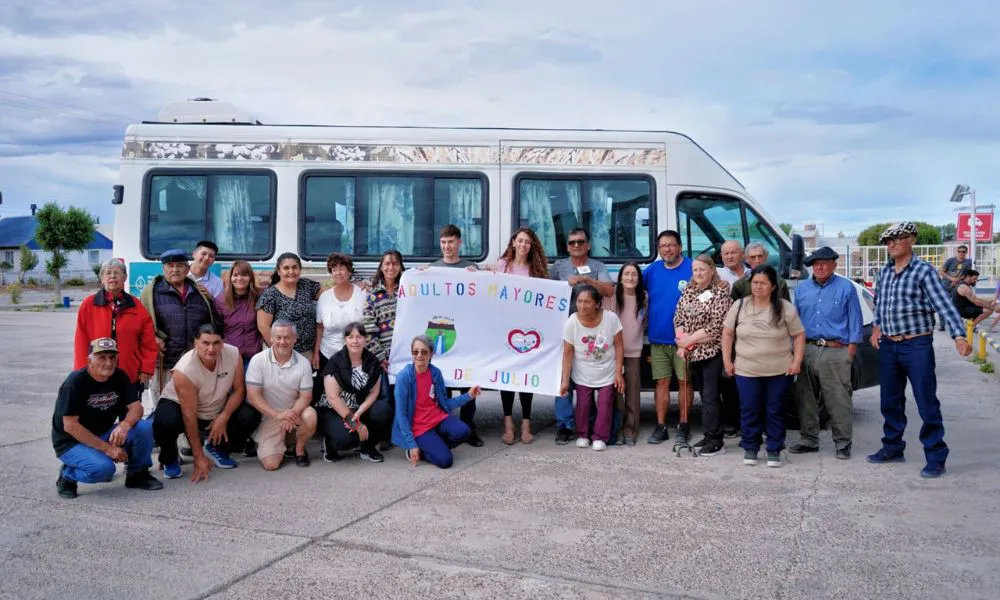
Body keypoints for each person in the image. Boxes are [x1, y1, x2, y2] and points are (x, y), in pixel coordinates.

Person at [868, 222, 972, 478]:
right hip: (889, 345)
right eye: (887, 241)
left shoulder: (924, 272)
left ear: (911, 240)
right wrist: (876, 328)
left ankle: (936, 455)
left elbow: (944, 306)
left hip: (916, 345)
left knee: (926, 401)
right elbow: (880, 304)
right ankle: (892, 447)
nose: (891, 245)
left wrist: (959, 335)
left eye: (897, 239)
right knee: (890, 400)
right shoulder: (884, 272)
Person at [52, 338, 163, 499]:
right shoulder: (75, 382)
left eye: (112, 357)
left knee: (143, 428)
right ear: (89, 360)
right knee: (104, 470)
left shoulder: (119, 376)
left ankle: (137, 474)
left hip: (102, 432)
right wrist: (108, 449)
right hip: (71, 442)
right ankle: (68, 475)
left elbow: (136, 407)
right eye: (101, 357)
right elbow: (70, 426)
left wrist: (125, 425)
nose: (108, 363)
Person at [152, 324, 261, 482]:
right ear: (196, 343)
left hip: (214, 406)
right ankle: (169, 458)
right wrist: (198, 457)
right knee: (165, 421)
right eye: (206, 343)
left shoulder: (233, 353)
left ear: (223, 343)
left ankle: (217, 448)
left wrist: (223, 417)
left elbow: (239, 391)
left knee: (250, 414)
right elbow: (189, 415)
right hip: (182, 407)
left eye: (216, 343)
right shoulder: (184, 370)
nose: (211, 348)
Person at [722, 265, 805, 468]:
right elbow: (727, 334)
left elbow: (799, 334)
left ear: (773, 286)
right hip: (746, 369)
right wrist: (727, 361)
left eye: (763, 283)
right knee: (749, 409)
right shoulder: (740, 305)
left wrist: (797, 362)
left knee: (775, 410)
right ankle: (751, 447)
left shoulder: (785, 307)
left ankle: (774, 448)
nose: (758, 287)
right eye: (755, 282)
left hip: (779, 370)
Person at [790, 247, 864, 460]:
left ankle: (842, 443)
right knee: (805, 397)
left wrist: (850, 352)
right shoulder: (802, 289)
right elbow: (795, 321)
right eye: (816, 264)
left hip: (836, 349)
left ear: (834, 264)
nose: (820, 267)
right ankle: (809, 440)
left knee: (838, 398)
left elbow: (855, 320)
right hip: (808, 348)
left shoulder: (846, 287)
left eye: (824, 263)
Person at [549, 228, 614, 444]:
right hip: (565, 330)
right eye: (572, 242)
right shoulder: (558, 267)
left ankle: (590, 423)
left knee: (591, 379)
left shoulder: (598, 266)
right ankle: (565, 425)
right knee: (564, 377)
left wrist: (588, 281)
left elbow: (609, 290)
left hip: (593, 333)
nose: (576, 245)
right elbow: (547, 292)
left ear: (588, 245)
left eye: (581, 242)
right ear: (567, 246)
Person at [491, 227, 549, 444]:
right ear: (514, 242)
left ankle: (526, 422)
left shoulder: (537, 269)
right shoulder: (502, 265)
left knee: (525, 377)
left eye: (528, 242)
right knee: (507, 377)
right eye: (520, 241)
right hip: (506, 328)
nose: (524, 245)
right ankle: (508, 424)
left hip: (529, 330)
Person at [428, 224, 484, 447]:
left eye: (451, 242)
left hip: (467, 335)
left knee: (468, 380)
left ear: (459, 243)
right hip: (442, 331)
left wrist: (477, 277)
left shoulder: (471, 267)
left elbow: (482, 298)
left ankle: (469, 426)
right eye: (443, 242)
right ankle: (447, 425)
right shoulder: (433, 268)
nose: (446, 246)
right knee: (445, 384)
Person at [74, 260, 158, 405]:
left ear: (125, 277)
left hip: (129, 373)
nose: (112, 276)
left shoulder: (136, 306)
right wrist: (81, 371)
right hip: (97, 372)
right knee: (98, 417)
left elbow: (148, 341)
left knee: (130, 416)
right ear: (102, 278)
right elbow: (81, 341)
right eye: (108, 273)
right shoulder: (88, 305)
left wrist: (146, 368)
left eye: (117, 273)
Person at [139, 249, 222, 396]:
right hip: (166, 363)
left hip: (196, 361)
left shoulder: (200, 293)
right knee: (165, 406)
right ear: (163, 268)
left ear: (188, 269)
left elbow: (212, 323)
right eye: (170, 265)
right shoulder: (151, 293)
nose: (175, 269)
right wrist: (152, 338)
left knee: (195, 405)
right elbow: (140, 325)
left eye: (180, 265)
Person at [392, 335, 482, 469]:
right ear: (411, 353)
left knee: (464, 431)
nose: (419, 356)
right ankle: (423, 450)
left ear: (431, 354)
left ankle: (434, 445)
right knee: (445, 461)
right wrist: (411, 445)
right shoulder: (404, 377)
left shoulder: (435, 373)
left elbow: (445, 403)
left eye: (424, 352)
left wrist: (468, 396)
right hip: (419, 428)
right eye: (415, 352)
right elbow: (401, 414)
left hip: (437, 418)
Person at [673, 254, 733, 456]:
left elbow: (716, 327)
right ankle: (708, 435)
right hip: (693, 353)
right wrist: (682, 344)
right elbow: (678, 318)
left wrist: (688, 341)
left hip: (712, 353)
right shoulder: (689, 290)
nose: (698, 273)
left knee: (710, 397)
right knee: (704, 396)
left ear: (712, 270)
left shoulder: (720, 292)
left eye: (703, 270)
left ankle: (716, 441)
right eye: (695, 270)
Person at [244, 320, 317, 470]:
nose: (282, 342)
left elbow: (306, 396)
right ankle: (278, 442)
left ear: (295, 339)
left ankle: (299, 449)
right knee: (271, 465)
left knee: (310, 415)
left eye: (287, 337)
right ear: (271, 338)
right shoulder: (258, 360)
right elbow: (253, 396)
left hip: (294, 412)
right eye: (278, 337)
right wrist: (277, 415)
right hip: (270, 416)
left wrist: (291, 414)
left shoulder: (303, 363)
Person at [560, 285, 625, 451]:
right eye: (579, 301)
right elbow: (567, 353)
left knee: (605, 403)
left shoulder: (611, 319)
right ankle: (582, 434)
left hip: (607, 370)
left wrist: (619, 372)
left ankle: (600, 437)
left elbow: (618, 345)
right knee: (583, 405)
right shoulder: (571, 322)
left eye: (587, 302)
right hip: (583, 371)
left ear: (597, 304)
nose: (582, 306)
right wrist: (565, 381)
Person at [642, 230, 692, 445]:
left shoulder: (692, 267)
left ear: (679, 247)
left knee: (684, 382)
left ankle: (684, 424)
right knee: (661, 383)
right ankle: (661, 426)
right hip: (658, 339)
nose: (667, 249)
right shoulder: (651, 271)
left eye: (671, 245)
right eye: (663, 246)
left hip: (685, 340)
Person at [318, 322, 391, 463]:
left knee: (383, 410)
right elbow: (333, 398)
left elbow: (374, 393)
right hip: (335, 410)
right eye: (350, 337)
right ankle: (330, 445)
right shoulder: (335, 362)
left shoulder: (372, 361)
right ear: (345, 339)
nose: (355, 341)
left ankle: (367, 447)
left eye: (359, 337)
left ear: (365, 339)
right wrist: (355, 423)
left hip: (359, 407)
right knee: (347, 439)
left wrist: (357, 414)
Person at [601, 261, 647, 446]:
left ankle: (631, 429)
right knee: (616, 393)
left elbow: (645, 321)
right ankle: (617, 429)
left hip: (634, 351)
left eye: (634, 274)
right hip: (613, 353)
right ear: (620, 277)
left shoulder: (644, 296)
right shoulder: (612, 296)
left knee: (633, 392)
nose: (630, 278)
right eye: (626, 274)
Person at [314, 253, 366, 401]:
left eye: (342, 268)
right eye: (334, 268)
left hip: (355, 355)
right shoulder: (324, 298)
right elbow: (319, 327)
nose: (338, 272)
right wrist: (316, 353)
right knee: (327, 397)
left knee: (353, 396)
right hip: (327, 353)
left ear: (349, 271)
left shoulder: (362, 294)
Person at [364, 250, 405, 414]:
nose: (391, 267)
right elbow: (368, 329)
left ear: (401, 267)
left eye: (395, 263)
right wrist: (380, 357)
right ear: (381, 267)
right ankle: (387, 436)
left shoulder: (408, 291)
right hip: (383, 358)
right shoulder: (372, 294)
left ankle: (402, 433)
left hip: (405, 356)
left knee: (404, 398)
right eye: (387, 263)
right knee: (387, 398)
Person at [257, 252, 321, 357]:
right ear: (279, 271)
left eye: (295, 267)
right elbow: (263, 326)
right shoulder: (270, 295)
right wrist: (280, 351)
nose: (291, 271)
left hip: (306, 352)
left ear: (300, 269)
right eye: (286, 268)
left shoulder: (308, 285)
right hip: (280, 353)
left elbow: (328, 295)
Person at [215, 260, 264, 372]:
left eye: (244, 275)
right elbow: (217, 329)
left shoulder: (260, 298)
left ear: (250, 277)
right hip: (229, 356)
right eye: (235, 275)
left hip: (254, 356)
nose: (240, 278)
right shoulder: (220, 300)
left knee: (251, 388)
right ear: (230, 278)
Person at [937, 245, 972, 330]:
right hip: (945, 286)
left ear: (966, 253)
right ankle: (942, 325)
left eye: (963, 251)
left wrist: (958, 281)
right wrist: (951, 278)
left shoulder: (968, 262)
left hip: (957, 288)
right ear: (957, 251)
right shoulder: (951, 260)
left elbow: (966, 275)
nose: (961, 253)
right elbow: (942, 271)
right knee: (942, 305)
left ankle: (955, 325)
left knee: (955, 306)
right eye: (959, 251)